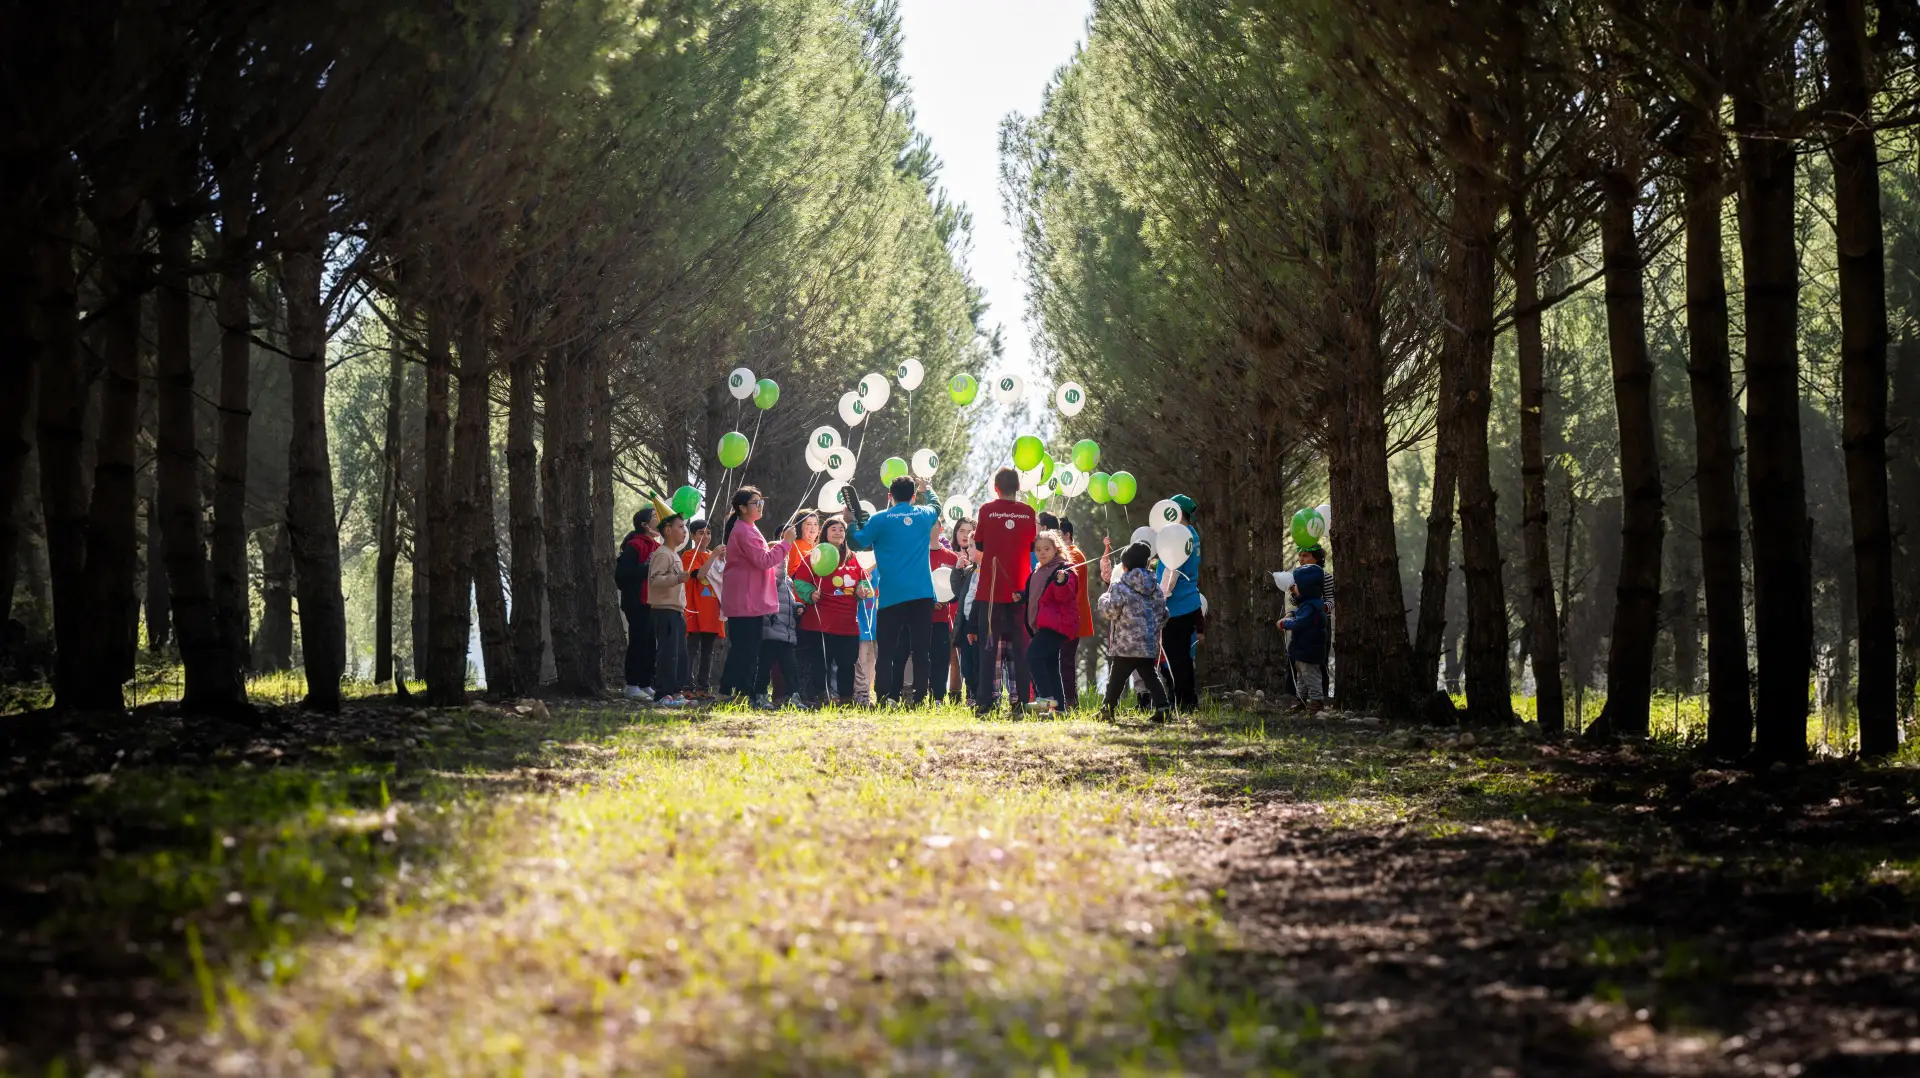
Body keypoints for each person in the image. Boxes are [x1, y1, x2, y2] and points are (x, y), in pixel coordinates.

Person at [850, 475, 941, 705]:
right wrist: (927, 489)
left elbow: (856, 543)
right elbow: (936, 506)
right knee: (921, 650)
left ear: (889, 496)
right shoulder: (922, 514)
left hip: (891, 595)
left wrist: (850, 521)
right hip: (921, 593)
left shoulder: (880, 519)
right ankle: (920, 698)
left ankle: (883, 697)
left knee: (887, 650)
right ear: (912, 497)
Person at [717, 486, 795, 706]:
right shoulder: (744, 530)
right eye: (755, 503)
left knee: (743, 648)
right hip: (745, 599)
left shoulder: (747, 528)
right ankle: (745, 693)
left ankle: (727, 690)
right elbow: (764, 561)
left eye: (762, 502)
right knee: (748, 650)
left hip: (747, 598)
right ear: (742, 508)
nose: (760, 506)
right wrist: (786, 543)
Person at [972, 467, 1038, 717]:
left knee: (988, 649)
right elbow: (1032, 545)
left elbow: (979, 544)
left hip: (990, 591)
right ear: (1018, 487)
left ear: (996, 488)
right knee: (1021, 649)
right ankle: (1021, 702)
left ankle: (984, 704)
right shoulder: (1029, 512)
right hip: (1020, 590)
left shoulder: (987, 510)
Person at [795, 517, 866, 704]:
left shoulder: (852, 558)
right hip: (820, 622)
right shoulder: (814, 555)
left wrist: (862, 589)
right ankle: (818, 697)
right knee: (820, 663)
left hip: (848, 623)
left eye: (841, 530)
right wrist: (810, 593)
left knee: (847, 663)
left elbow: (863, 579)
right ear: (825, 533)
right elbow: (800, 581)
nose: (838, 532)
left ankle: (846, 699)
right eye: (833, 529)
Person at [1098, 540, 1171, 722]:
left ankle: (1107, 708)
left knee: (1116, 678)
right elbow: (1164, 613)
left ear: (1124, 567)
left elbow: (1110, 611)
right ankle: (1163, 707)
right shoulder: (1155, 588)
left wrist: (1103, 599)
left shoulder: (1119, 586)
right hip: (1148, 644)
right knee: (1151, 676)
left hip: (1125, 645)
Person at [1023, 529, 1080, 714]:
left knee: (1033, 655)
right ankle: (1060, 708)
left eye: (1046, 549)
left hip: (1056, 624)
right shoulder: (1038, 570)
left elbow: (1065, 594)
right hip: (1042, 625)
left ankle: (1046, 698)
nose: (1042, 553)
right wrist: (1022, 596)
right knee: (1050, 664)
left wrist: (1062, 582)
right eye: (1038, 550)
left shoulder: (1063, 569)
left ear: (1056, 549)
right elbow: (1036, 595)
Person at [646, 514, 700, 707]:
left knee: (679, 654)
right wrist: (677, 578)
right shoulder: (662, 553)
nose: (684, 531)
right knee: (668, 653)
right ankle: (662, 694)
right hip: (664, 611)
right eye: (680, 526)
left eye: (684, 527)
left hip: (676, 611)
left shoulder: (673, 554)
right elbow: (655, 580)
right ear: (667, 530)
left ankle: (675, 692)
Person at [1159, 493, 1203, 712]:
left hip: (1174, 606)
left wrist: (1158, 596)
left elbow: (1171, 573)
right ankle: (1189, 699)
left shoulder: (1178, 536)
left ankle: (1182, 701)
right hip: (1190, 603)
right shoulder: (1192, 534)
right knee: (1184, 655)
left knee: (1175, 657)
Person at [613, 508, 661, 700]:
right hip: (635, 602)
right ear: (645, 525)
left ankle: (645, 683)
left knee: (650, 644)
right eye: (655, 517)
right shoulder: (634, 545)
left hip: (651, 602)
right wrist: (647, 569)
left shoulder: (656, 547)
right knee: (638, 643)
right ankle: (632, 685)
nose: (659, 519)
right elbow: (621, 576)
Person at [1279, 555, 1329, 712]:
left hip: (1309, 650)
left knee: (1311, 677)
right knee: (1301, 677)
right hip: (1302, 650)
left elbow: (1301, 623)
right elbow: (1299, 615)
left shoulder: (1311, 607)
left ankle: (1316, 701)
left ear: (1306, 587)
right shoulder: (1307, 605)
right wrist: (1291, 614)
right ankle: (1301, 700)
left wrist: (1284, 623)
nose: (1293, 588)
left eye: (1296, 585)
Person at [681, 519, 724, 696]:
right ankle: (686, 686)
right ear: (692, 535)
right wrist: (713, 556)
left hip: (713, 610)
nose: (705, 537)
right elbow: (699, 575)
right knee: (691, 648)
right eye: (701, 533)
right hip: (695, 609)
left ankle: (703, 687)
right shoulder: (688, 555)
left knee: (708, 650)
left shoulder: (714, 555)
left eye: (708, 533)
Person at [758, 558, 802, 707]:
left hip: (786, 632)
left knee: (791, 666)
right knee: (764, 666)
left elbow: (788, 602)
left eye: (785, 558)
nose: (783, 561)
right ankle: (760, 695)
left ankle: (793, 696)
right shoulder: (768, 576)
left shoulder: (788, 581)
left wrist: (797, 607)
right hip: (770, 630)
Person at [927, 518, 961, 703]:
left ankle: (938, 698)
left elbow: (957, 589)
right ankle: (918, 696)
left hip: (942, 619)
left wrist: (945, 598)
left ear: (940, 528)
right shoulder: (917, 554)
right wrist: (929, 601)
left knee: (941, 660)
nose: (930, 528)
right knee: (920, 660)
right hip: (920, 618)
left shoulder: (951, 557)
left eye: (934, 524)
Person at [1060, 518, 1093, 709]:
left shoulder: (1073, 555)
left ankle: (1070, 702)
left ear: (1067, 535)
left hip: (1072, 617)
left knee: (1066, 660)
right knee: (1065, 660)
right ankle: (1069, 701)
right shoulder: (1070, 554)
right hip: (1070, 617)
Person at [949, 519, 978, 704]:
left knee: (973, 659)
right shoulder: (951, 555)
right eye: (961, 530)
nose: (965, 535)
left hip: (973, 618)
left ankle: (973, 694)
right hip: (954, 614)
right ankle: (955, 695)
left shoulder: (977, 565)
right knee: (958, 659)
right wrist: (956, 569)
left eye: (970, 531)